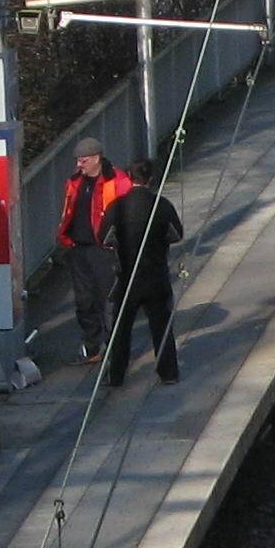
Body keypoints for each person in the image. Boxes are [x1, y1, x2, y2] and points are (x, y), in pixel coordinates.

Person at [103, 159, 186, 387]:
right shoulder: (161, 205)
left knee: (121, 329)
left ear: (129, 177)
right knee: (161, 326)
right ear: (151, 180)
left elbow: (105, 237)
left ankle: (116, 375)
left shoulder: (117, 207)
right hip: (155, 274)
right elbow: (176, 234)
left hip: (127, 277)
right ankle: (168, 372)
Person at [55, 139, 131, 364]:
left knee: (107, 299)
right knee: (84, 301)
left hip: (104, 249)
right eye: (78, 160)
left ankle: (113, 346)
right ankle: (92, 347)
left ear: (97, 158)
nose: (80, 164)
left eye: (84, 160)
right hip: (79, 247)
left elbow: (126, 212)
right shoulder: (75, 181)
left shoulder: (117, 181)